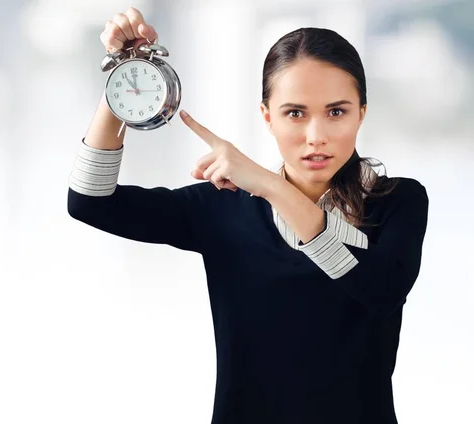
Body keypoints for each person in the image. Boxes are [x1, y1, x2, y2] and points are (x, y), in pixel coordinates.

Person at [67, 7, 429, 424]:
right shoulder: (222, 210)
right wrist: (125, 76)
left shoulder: (398, 201)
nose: (316, 137)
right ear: (267, 117)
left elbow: (381, 291)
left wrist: (271, 186)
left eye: (336, 112)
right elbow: (89, 201)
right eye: (295, 113)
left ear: (361, 112)